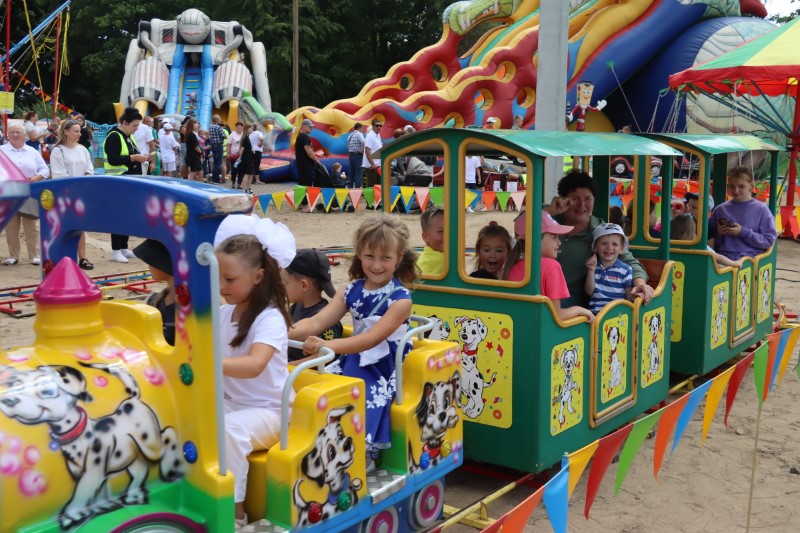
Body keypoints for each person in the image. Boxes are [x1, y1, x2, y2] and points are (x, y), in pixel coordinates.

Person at [291, 214, 417, 471]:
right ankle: (321, 442)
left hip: (384, 361)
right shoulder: (351, 290)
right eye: (370, 256)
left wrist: (330, 346)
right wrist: (277, 334)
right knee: (319, 382)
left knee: (364, 387)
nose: (377, 265)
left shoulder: (401, 299)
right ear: (359, 254)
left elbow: (372, 339)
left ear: (399, 258)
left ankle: (363, 450)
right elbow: (316, 322)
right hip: (354, 353)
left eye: (385, 258)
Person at [213, 214, 296, 530]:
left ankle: (235, 514)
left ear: (258, 276)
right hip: (233, 403)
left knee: (228, 430)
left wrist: (208, 362)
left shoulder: (269, 318)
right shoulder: (223, 314)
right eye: (219, 277)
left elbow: (255, 364)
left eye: (230, 279)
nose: (222, 286)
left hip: (271, 411)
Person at [546, 170, 653, 308]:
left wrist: (640, 284)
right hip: (537, 290)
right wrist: (550, 211)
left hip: (568, 300)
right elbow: (522, 226)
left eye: (587, 199)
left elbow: (631, 262)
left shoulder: (601, 231)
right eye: (574, 198)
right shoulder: (547, 218)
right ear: (563, 199)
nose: (581, 205)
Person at [505, 211, 594, 322]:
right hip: (541, 330)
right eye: (554, 237)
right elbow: (557, 315)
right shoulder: (552, 266)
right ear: (535, 239)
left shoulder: (512, 266)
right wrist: (581, 310)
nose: (559, 242)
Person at [103, 106, 149, 263]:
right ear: (125, 122)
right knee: (118, 216)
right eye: (134, 125)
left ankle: (123, 247)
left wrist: (141, 157)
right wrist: (135, 158)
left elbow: (130, 155)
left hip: (130, 181)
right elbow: (113, 160)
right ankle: (115, 251)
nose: (136, 129)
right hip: (118, 182)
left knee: (128, 215)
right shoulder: (114, 136)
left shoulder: (128, 136)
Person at [282, 249, 343, 362]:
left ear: (304, 285)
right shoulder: (296, 306)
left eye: (285, 283)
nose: (282, 287)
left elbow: (326, 356)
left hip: (304, 371)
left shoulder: (329, 322)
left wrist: (290, 367)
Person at [50, 118, 95, 270]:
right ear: (66, 132)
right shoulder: (58, 151)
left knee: (80, 227)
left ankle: (82, 257)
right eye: (76, 131)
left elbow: (89, 169)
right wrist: (74, 188)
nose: (79, 134)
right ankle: (64, 258)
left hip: (81, 194)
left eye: (79, 131)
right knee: (65, 227)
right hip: (64, 195)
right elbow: (59, 174)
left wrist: (84, 184)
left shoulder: (83, 149)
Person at [0, 123, 48, 265]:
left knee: (32, 225)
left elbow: (44, 169)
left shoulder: (32, 151)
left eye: (18, 132)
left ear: (24, 135)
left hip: (29, 191)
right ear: (8, 135)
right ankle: (13, 255)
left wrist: (36, 178)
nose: (15, 135)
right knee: (11, 226)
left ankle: (34, 255)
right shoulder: (1, 151)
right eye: (12, 132)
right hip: (9, 192)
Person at [708, 165, 777, 260]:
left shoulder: (762, 209)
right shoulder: (720, 209)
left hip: (749, 259)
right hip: (722, 257)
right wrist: (720, 234)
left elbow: (769, 241)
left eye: (741, 186)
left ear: (751, 186)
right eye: (732, 186)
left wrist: (742, 232)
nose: (736, 191)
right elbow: (710, 239)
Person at [133, 239, 176, 345]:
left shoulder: (187, 308)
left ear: (163, 264)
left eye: (151, 262)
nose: (148, 266)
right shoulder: (155, 300)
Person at [585, 224, 633, 314]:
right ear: (595, 247)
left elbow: (629, 297)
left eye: (615, 244)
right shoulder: (594, 267)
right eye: (604, 243)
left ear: (621, 248)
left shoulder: (626, 270)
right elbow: (589, 292)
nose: (609, 247)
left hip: (617, 315)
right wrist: (591, 271)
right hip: (595, 314)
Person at [671, 213, 743, 268]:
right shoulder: (699, 248)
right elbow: (718, 258)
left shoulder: (672, 247)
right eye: (694, 232)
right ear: (691, 234)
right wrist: (735, 263)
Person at [416, 208, 445, 275]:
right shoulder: (444, 260)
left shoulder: (427, 254)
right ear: (426, 237)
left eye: (450, 229)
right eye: (440, 231)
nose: (448, 235)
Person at [295, 118, 320, 187]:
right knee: (306, 184)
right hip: (306, 166)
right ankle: (305, 194)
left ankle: (302, 194)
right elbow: (309, 152)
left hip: (302, 165)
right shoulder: (304, 137)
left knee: (302, 184)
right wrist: (317, 160)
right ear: (303, 126)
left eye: (312, 127)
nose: (311, 128)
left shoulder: (300, 136)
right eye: (309, 127)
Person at [362, 119, 383, 187]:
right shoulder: (370, 136)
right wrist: (373, 164)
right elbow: (367, 150)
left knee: (378, 186)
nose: (379, 127)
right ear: (373, 126)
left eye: (380, 125)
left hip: (377, 165)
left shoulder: (378, 135)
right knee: (371, 186)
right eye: (377, 125)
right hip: (371, 166)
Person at [347, 123, 366, 188]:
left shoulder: (350, 135)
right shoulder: (359, 134)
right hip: (358, 155)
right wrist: (362, 150)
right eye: (362, 128)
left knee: (351, 173)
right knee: (358, 173)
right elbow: (363, 141)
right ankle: (357, 189)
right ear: (359, 128)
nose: (363, 130)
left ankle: (350, 188)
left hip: (351, 155)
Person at [184, 118, 203, 182]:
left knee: (199, 170)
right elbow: (196, 146)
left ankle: (200, 183)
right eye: (197, 123)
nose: (198, 125)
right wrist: (201, 152)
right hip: (193, 156)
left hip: (193, 155)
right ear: (193, 124)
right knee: (193, 172)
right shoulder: (191, 135)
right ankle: (190, 185)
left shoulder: (190, 134)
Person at [237, 123, 255, 191]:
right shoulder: (245, 138)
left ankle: (248, 188)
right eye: (251, 129)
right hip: (247, 158)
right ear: (247, 129)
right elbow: (242, 148)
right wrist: (240, 157)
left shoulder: (247, 137)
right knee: (247, 173)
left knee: (250, 173)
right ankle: (245, 189)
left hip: (249, 157)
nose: (252, 130)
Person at [247, 125, 264, 192]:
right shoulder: (259, 133)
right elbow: (261, 138)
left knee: (251, 165)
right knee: (257, 165)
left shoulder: (250, 134)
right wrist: (261, 143)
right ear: (257, 128)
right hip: (258, 150)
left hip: (251, 150)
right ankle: (257, 180)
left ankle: (251, 179)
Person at [209, 114, 225, 183]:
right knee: (218, 162)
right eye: (219, 119)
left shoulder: (210, 126)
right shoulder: (218, 127)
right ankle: (216, 179)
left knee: (215, 162)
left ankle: (214, 178)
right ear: (217, 120)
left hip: (213, 145)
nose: (220, 120)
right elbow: (223, 136)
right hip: (218, 145)